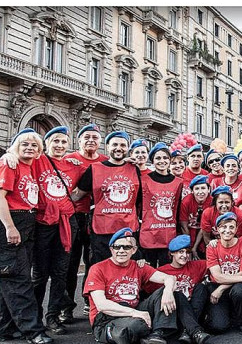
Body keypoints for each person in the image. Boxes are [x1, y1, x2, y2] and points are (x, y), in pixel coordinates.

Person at [0, 128, 51, 344]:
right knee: (18, 279)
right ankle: (33, 331)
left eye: (34, 145)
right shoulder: (8, 163)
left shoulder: (29, 165)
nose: (29, 148)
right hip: (11, 219)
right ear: (16, 146)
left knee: (10, 278)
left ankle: (4, 330)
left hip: (26, 220)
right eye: (24, 144)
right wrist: (9, 226)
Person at [83, 228, 197, 344]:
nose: (121, 251)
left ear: (134, 250)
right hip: (107, 317)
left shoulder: (139, 266)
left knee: (169, 293)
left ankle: (157, 335)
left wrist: (168, 292)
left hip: (135, 310)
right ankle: (146, 331)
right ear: (111, 249)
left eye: (126, 247)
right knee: (134, 326)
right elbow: (102, 305)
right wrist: (135, 313)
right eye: (117, 247)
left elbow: (169, 278)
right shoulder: (98, 269)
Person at [28, 126, 83, 335]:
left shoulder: (74, 165)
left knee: (60, 273)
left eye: (63, 142)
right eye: (55, 141)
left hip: (66, 224)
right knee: (39, 275)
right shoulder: (37, 160)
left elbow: (97, 165)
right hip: (42, 224)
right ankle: (34, 318)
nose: (59, 145)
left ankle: (53, 317)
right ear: (47, 143)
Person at [71, 131, 143, 267]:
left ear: (127, 148)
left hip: (128, 229)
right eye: (115, 144)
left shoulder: (134, 169)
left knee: (126, 269)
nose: (118, 148)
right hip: (102, 230)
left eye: (123, 145)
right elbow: (77, 195)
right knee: (98, 268)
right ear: (107, 146)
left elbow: (139, 200)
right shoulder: (94, 169)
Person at [61, 123, 109, 321]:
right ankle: (66, 306)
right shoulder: (69, 159)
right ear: (78, 140)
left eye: (95, 137)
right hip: (72, 216)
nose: (90, 140)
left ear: (100, 142)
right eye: (86, 137)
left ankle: (89, 300)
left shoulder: (105, 161)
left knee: (93, 262)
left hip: (97, 218)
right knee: (69, 263)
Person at [144, 235, 213, 344]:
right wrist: (141, 264)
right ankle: (194, 331)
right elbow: (144, 285)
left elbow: (216, 262)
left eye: (187, 252)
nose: (185, 255)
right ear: (172, 253)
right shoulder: (161, 271)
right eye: (181, 252)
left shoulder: (197, 266)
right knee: (177, 293)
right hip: (172, 314)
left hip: (193, 311)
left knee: (201, 288)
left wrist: (215, 245)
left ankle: (187, 330)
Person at [204, 212, 242, 335]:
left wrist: (222, 288)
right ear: (217, 229)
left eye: (231, 227)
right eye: (224, 227)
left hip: (234, 286)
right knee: (218, 327)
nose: (227, 230)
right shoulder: (212, 247)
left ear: (236, 229)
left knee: (240, 291)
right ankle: (223, 314)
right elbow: (217, 276)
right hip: (216, 285)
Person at [140, 143, 184, 268]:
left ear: (170, 161)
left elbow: (178, 208)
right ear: (152, 160)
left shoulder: (178, 182)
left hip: (168, 234)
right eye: (158, 158)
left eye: (165, 158)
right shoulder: (143, 180)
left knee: (168, 271)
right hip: (149, 234)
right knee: (148, 273)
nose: (162, 161)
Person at [179, 175, 212, 259]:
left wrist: (195, 247)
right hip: (189, 233)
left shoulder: (212, 201)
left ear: (208, 189)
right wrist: (190, 248)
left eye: (203, 188)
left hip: (205, 233)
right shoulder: (186, 202)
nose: (200, 192)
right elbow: (184, 226)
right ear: (192, 191)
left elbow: (204, 228)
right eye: (197, 189)